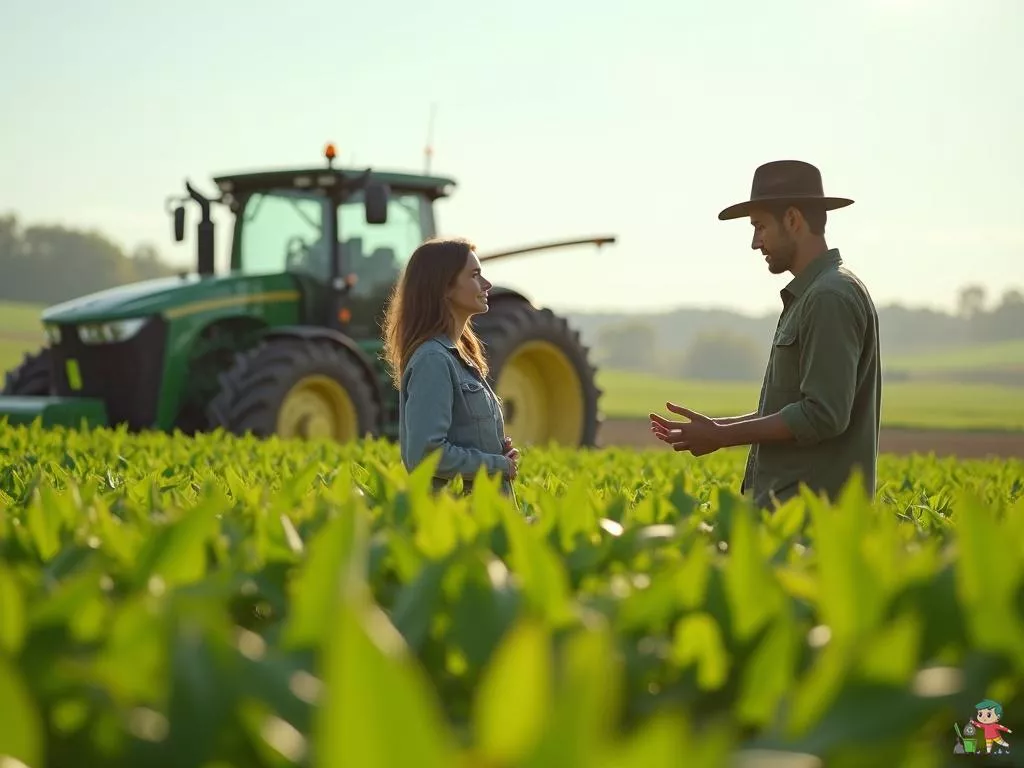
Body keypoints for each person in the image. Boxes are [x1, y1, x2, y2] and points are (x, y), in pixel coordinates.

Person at [649, 160, 881, 510]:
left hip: (812, 519)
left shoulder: (829, 297)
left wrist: (723, 435)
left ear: (793, 219)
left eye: (760, 226)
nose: (755, 242)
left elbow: (822, 414)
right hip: (790, 514)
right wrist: (717, 428)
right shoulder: (813, 294)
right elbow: (790, 409)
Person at [381, 236, 520, 499]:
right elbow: (427, 455)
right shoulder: (433, 360)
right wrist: (497, 465)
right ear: (444, 287)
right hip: (459, 515)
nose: (487, 284)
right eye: (475, 275)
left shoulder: (459, 356)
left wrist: (496, 450)